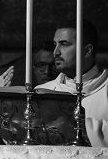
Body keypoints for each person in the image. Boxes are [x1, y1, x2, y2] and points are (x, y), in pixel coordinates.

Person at [35, 19, 108, 147]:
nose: (55, 52)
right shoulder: (40, 92)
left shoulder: (105, 89)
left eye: (64, 44)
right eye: (55, 44)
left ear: (87, 51)